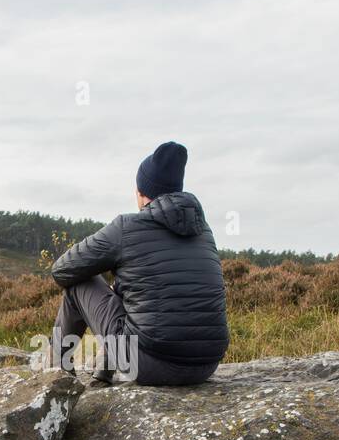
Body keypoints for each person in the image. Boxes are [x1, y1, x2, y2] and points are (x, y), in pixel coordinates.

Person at [50, 141, 229, 386]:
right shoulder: (203, 230)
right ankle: (102, 372)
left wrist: (116, 282)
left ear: (142, 193)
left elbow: (62, 270)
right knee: (133, 288)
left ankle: (55, 375)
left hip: (146, 365)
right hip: (205, 365)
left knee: (79, 283)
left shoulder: (127, 227)